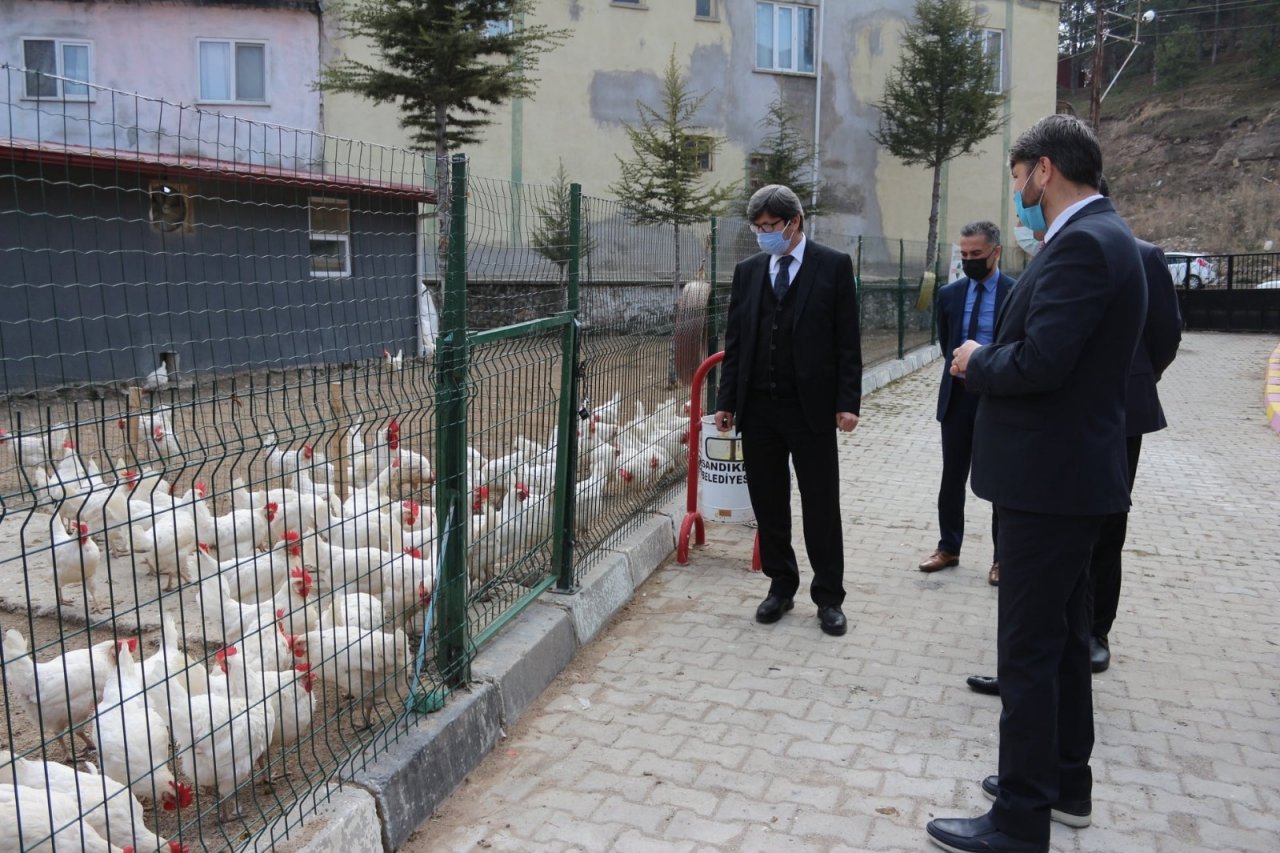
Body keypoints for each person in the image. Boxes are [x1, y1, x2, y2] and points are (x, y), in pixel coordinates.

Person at [926, 115, 1147, 853]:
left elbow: (1043, 361)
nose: (1016, 190)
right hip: (1070, 479)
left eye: (1018, 175)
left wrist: (973, 362)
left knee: (1025, 648)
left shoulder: (1084, 244)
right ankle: (1064, 781)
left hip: (1050, 483)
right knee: (1060, 643)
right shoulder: (1103, 236)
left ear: (1043, 170)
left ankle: (1021, 816)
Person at [963, 180, 1182, 697]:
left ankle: (1093, 634)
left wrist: (1123, 386)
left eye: (1022, 181)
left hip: (1112, 418)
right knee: (1038, 559)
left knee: (1103, 533)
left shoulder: (1134, 252)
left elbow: (1165, 335)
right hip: (1043, 431)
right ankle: (1031, 659)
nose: (1021, 195)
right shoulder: (1052, 251)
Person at [714, 184, 862, 637]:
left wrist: (846, 402)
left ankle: (829, 597)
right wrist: (726, 401)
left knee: (820, 502)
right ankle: (780, 585)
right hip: (759, 409)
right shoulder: (749, 271)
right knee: (769, 501)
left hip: (811, 410)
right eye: (757, 228)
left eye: (770, 227)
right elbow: (736, 339)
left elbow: (846, 341)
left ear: (794, 223)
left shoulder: (833, 266)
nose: (763, 235)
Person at [918, 221, 1014, 585]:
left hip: (998, 401)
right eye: (965, 255)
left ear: (996, 252)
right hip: (958, 398)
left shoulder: (1015, 293)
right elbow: (947, 344)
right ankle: (948, 547)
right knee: (951, 478)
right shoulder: (949, 294)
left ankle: (1002, 558)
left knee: (1000, 482)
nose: (970, 260)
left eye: (977, 255)